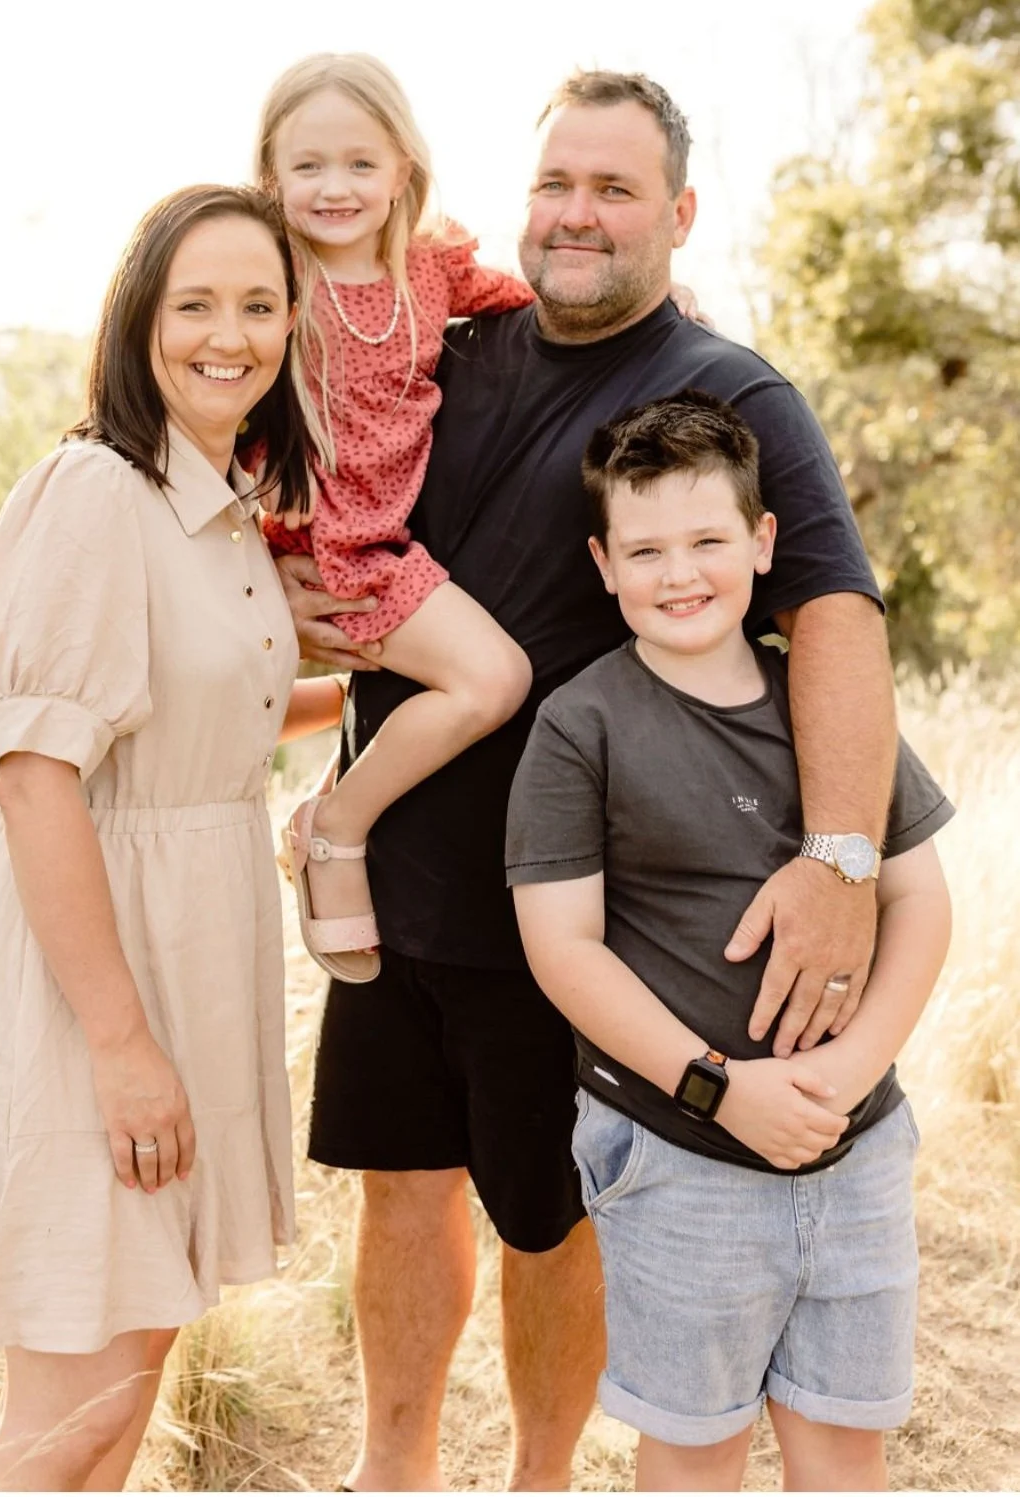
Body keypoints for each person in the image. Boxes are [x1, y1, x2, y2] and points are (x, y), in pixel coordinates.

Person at [280, 70, 900, 1493]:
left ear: (676, 215)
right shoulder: (457, 346)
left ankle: (541, 1478)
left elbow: (834, 617)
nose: (575, 214)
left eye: (613, 189)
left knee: (549, 1215)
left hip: (574, 912)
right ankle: (394, 1472)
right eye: (556, 182)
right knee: (399, 1188)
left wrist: (843, 859)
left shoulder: (726, 390)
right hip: (385, 882)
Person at [0, 184, 344, 1492]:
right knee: (63, 1431)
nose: (227, 333)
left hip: (182, 966)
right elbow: (36, 781)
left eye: (258, 304)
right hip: (86, 995)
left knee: (111, 1417)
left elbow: (216, 715)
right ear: (137, 321)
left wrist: (375, 687)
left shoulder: (222, 508)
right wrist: (123, 1045)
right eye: (195, 302)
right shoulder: (91, 491)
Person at [506, 391, 953, 1493]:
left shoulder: (832, 706)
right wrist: (718, 1092)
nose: (680, 572)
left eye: (708, 540)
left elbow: (923, 904)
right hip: (678, 1156)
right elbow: (563, 948)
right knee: (695, 1452)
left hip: (853, 1153)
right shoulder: (582, 724)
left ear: (763, 544)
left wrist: (847, 1076)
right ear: (605, 565)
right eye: (647, 548)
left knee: (845, 1448)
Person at [256, 54, 701, 983]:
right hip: (342, 541)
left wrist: (670, 306)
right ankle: (336, 826)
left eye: (360, 164)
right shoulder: (273, 283)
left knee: (463, 679)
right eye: (308, 167)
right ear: (270, 176)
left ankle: (337, 799)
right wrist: (254, 574)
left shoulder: (428, 265)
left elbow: (542, 295)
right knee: (493, 679)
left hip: (403, 535)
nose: (335, 188)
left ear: (403, 172)